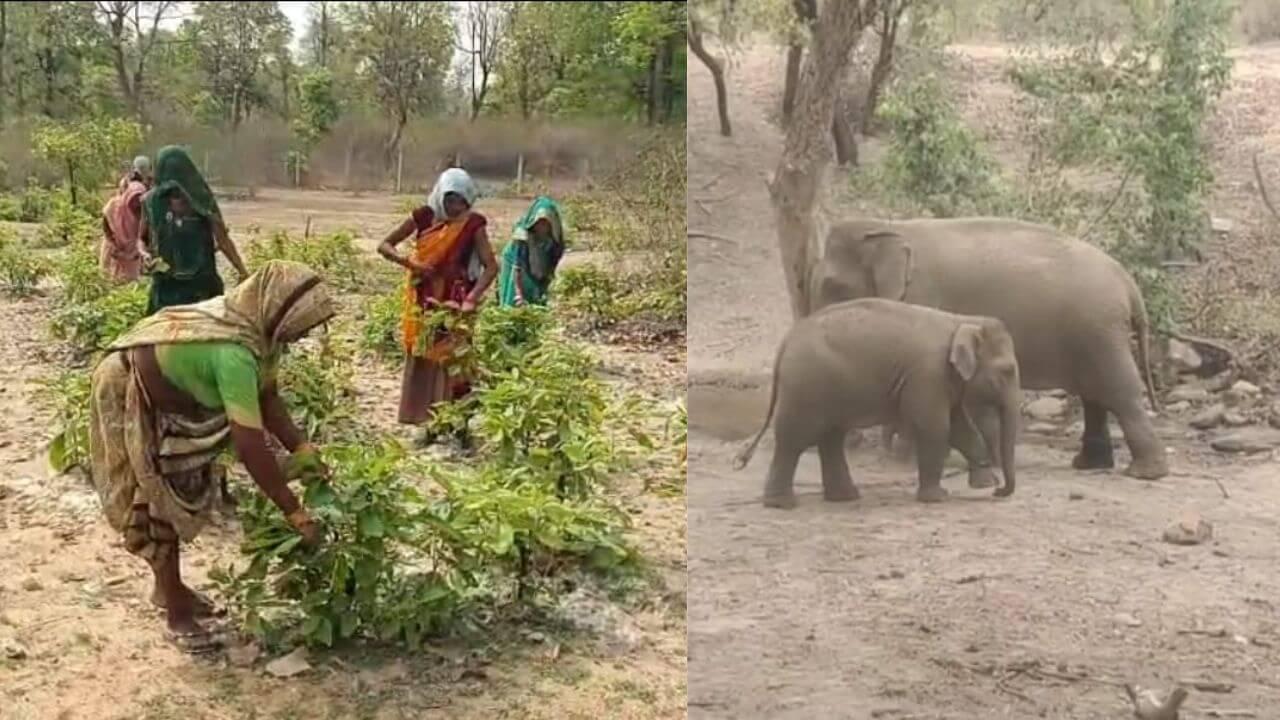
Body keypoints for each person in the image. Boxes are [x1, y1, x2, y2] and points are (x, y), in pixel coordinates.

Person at [88, 260, 335, 653]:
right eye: (302, 322)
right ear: (279, 308)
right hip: (130, 387)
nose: (303, 333)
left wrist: (303, 450)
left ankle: (170, 589)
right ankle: (176, 612)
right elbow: (251, 445)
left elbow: (268, 398)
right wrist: (294, 511)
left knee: (180, 485)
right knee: (162, 496)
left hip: (179, 399)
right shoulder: (233, 351)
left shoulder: (260, 336)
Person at [377, 168, 498, 427]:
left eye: (461, 202)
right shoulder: (423, 217)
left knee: (453, 356)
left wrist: (472, 299)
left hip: (455, 300)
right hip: (424, 299)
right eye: (450, 200)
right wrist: (411, 264)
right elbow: (385, 246)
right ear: (440, 196)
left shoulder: (473, 224)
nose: (455, 208)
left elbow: (491, 267)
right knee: (423, 350)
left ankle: (454, 420)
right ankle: (419, 415)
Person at [139, 146, 249, 315]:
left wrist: (242, 271)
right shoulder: (151, 201)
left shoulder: (202, 200)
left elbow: (223, 240)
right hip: (166, 289)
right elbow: (140, 239)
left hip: (201, 290)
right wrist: (144, 254)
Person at [497, 195, 566, 307]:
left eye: (546, 224)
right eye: (539, 223)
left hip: (536, 271)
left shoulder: (552, 242)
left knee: (537, 300)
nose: (541, 227)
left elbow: (551, 268)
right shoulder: (522, 238)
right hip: (515, 265)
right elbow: (517, 268)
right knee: (514, 299)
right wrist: (519, 294)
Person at [100, 175, 147, 282]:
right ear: (127, 196)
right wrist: (113, 245)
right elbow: (105, 226)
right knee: (111, 283)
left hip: (133, 254)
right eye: (133, 199)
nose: (136, 204)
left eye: (139, 200)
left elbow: (145, 236)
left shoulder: (144, 212)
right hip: (114, 250)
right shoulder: (113, 206)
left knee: (130, 286)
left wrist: (136, 252)